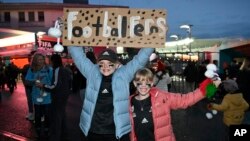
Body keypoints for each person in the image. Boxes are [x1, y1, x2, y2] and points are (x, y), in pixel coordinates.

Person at [68, 46, 154, 141]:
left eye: (110, 64)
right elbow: (78, 57)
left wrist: (155, 38)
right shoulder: (92, 72)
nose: (106, 67)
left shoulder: (124, 74)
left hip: (117, 132)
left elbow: (140, 60)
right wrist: (70, 35)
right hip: (93, 130)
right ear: (98, 63)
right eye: (102, 64)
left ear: (116, 64)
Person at [129, 68, 220, 141]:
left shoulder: (163, 98)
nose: (143, 86)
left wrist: (211, 86)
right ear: (134, 83)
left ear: (152, 83)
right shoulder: (128, 103)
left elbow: (187, 99)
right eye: (139, 83)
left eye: (147, 83)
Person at [36, 54, 72, 141]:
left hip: (57, 97)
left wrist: (43, 85)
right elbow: (70, 84)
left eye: (50, 60)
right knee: (62, 117)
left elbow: (55, 86)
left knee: (56, 119)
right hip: (64, 97)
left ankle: (56, 137)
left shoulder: (57, 70)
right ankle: (64, 136)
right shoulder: (65, 70)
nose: (49, 62)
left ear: (53, 61)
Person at [25, 53, 53, 139]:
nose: (41, 61)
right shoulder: (32, 69)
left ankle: (47, 130)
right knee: (37, 115)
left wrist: (44, 85)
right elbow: (27, 81)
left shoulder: (49, 69)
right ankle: (37, 131)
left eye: (42, 59)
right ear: (35, 60)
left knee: (47, 114)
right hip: (36, 96)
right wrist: (34, 81)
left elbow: (53, 82)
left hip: (47, 96)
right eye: (39, 59)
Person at [21, 55, 34, 121]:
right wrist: (25, 83)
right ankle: (31, 112)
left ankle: (38, 114)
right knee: (30, 100)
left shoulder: (37, 67)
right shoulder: (26, 67)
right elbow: (22, 76)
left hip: (35, 86)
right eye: (31, 58)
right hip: (28, 87)